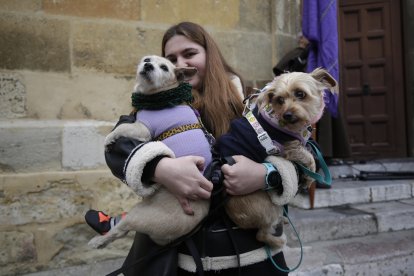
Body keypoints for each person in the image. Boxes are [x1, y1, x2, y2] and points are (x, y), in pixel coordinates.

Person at [87, 22, 301, 276]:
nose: (179, 63)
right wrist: (161, 168)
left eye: (189, 54)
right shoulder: (152, 106)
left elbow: (303, 163)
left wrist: (264, 175)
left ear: (210, 55)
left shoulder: (253, 103)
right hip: (183, 261)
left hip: (256, 256)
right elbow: (117, 148)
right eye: (170, 59)